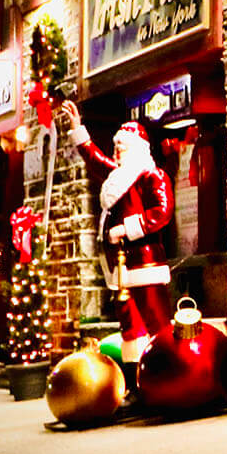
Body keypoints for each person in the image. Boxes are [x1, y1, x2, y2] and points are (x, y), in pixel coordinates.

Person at [59, 101, 173, 369]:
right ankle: (136, 378)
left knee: (156, 319)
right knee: (130, 324)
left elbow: (162, 212)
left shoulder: (152, 176)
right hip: (120, 265)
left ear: (137, 149)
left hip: (145, 263)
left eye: (123, 146)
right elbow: (94, 158)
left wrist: (127, 228)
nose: (118, 150)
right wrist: (78, 129)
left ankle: (166, 371)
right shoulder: (117, 176)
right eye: (117, 146)